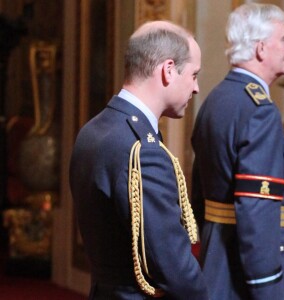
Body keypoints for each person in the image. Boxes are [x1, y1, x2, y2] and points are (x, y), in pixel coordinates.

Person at [69, 20, 209, 299]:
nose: (195, 88)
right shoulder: (141, 150)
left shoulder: (93, 130)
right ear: (168, 70)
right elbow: (174, 267)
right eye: (194, 75)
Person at [191, 3, 284, 300]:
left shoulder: (216, 100)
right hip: (248, 272)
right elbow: (258, 210)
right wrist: (268, 287)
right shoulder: (259, 111)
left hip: (216, 257)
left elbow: (198, 191)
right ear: (261, 48)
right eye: (283, 40)